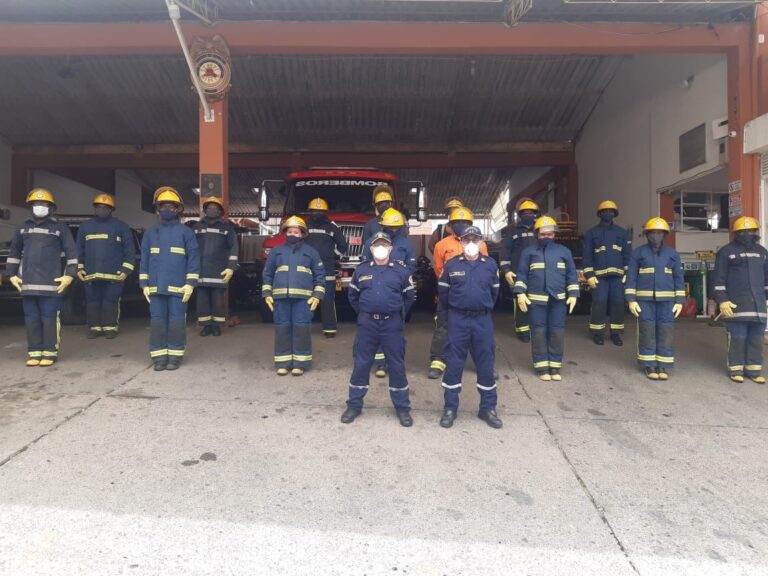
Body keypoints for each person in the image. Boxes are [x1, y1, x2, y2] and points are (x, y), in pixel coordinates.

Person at [342, 232, 416, 427]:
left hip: (392, 324)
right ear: (371, 248)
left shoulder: (401, 271)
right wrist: (367, 314)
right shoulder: (361, 270)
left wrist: (395, 315)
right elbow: (353, 297)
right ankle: (354, 405)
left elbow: (409, 298)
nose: (380, 248)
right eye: (377, 245)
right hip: (367, 324)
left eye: (384, 245)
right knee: (361, 364)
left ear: (390, 249)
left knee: (397, 366)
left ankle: (402, 408)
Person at [438, 226, 502, 429]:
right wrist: (459, 310)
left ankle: (488, 408)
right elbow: (444, 295)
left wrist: (480, 308)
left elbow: (494, 294)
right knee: (454, 362)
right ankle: (450, 408)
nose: (471, 244)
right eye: (467, 240)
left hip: (482, 320)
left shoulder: (490, 265)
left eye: (475, 239)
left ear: (481, 242)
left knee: (485, 362)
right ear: (461, 242)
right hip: (458, 319)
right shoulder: (451, 265)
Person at [6, 188, 77, 367]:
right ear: (30, 207)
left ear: (51, 208)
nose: (40, 207)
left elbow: (72, 253)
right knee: (32, 319)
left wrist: (70, 275)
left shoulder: (59, 228)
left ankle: (50, 352)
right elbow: (14, 252)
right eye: (36, 204)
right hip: (28, 284)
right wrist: (11, 274)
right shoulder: (22, 228)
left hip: (51, 284)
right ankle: (34, 351)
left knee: (49, 319)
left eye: (44, 204)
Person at [139, 187, 200, 371]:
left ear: (178, 209)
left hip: (178, 289)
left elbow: (194, 258)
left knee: (176, 323)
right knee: (157, 323)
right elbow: (145, 259)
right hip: (156, 288)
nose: (167, 209)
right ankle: (158, 357)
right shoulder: (150, 233)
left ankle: (175, 357)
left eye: (171, 206)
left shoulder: (186, 232)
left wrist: (190, 284)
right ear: (158, 209)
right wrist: (143, 284)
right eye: (164, 206)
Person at [514, 216, 579, 382]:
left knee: (557, 332)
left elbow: (572, 275)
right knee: (538, 332)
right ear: (537, 235)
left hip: (558, 301)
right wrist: (520, 292)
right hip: (536, 302)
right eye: (543, 235)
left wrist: (573, 294)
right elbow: (521, 274)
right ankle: (542, 366)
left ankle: (555, 366)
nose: (546, 237)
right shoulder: (528, 252)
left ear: (554, 235)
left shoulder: (564, 252)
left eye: (550, 234)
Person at [428, 207, 488, 379]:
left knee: (477, 329)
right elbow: (438, 269)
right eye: (457, 223)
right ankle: (437, 362)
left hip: (474, 294)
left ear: (471, 224)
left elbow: (485, 268)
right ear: (450, 225)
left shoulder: (481, 245)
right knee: (443, 327)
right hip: (450, 293)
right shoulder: (442, 245)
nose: (461, 225)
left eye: (465, 222)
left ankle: (483, 365)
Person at [262, 216, 325, 376]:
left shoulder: (311, 253)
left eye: (296, 231)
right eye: (290, 231)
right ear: (285, 233)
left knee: (301, 329)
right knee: (282, 329)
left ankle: (300, 363)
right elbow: (267, 273)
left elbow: (320, 275)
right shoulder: (276, 251)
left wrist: (317, 295)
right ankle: (283, 363)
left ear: (303, 233)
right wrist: (267, 293)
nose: (293, 234)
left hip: (303, 300)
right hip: (281, 299)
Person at [625, 217, 685, 381]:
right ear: (647, 234)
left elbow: (679, 278)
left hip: (667, 302)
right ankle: (648, 364)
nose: (656, 236)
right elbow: (631, 277)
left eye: (659, 233)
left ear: (664, 234)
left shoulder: (672, 254)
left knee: (666, 331)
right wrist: (631, 299)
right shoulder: (638, 253)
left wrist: (679, 301)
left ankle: (663, 365)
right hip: (645, 302)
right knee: (647, 331)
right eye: (653, 232)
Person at [712, 216, 768, 384]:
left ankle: (754, 370)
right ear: (736, 233)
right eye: (743, 231)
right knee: (738, 338)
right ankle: (735, 369)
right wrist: (722, 300)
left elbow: (766, 280)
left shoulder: (762, 252)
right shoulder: (726, 252)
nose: (747, 234)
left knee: (756, 339)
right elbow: (718, 279)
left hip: (758, 306)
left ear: (755, 232)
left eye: (750, 231)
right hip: (735, 306)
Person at [361, 208, 416, 377]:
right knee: (376, 332)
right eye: (390, 227)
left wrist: (398, 278)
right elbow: (364, 267)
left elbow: (411, 265)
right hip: (376, 290)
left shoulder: (406, 244)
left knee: (396, 331)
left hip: (397, 292)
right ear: (382, 225)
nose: (393, 230)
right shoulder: (371, 242)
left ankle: (394, 362)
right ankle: (380, 364)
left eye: (396, 227)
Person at [76, 193, 135, 339]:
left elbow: (129, 250)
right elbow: (79, 249)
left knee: (111, 301)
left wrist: (126, 269)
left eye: (105, 207)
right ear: (94, 208)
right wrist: (79, 267)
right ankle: (94, 327)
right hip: (91, 274)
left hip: (114, 274)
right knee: (92, 301)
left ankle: (110, 327)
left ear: (111, 209)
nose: (102, 209)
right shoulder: (85, 227)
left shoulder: (121, 226)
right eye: (99, 207)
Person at [582, 200, 631, 347]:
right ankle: (598, 333)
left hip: (617, 277)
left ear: (614, 214)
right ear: (600, 214)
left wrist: (628, 273)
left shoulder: (622, 233)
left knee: (617, 304)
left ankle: (615, 334)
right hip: (599, 277)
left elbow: (627, 255)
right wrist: (589, 275)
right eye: (605, 211)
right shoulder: (591, 233)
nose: (608, 213)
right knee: (599, 304)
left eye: (610, 211)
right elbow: (587, 256)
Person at [193, 195, 238, 337]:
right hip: (200, 270)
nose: (212, 209)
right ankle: (206, 326)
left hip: (219, 271)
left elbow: (233, 248)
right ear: (205, 210)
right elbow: (190, 249)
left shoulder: (227, 229)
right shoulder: (196, 227)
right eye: (210, 207)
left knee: (218, 301)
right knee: (202, 301)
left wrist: (231, 267)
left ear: (220, 211)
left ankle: (217, 326)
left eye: (215, 208)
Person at [304, 197, 348, 338]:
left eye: (320, 211)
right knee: (305, 299)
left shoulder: (332, 227)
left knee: (327, 300)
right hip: (306, 270)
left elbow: (343, 246)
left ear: (325, 212)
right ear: (310, 212)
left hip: (326, 270)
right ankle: (303, 327)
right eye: (315, 211)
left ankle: (330, 329)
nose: (317, 213)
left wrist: (332, 255)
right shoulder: (303, 226)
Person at [499, 198, 539, 342]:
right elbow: (505, 252)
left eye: (531, 212)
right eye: (525, 212)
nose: (528, 214)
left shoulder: (540, 230)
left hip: (538, 272)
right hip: (518, 272)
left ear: (536, 214)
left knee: (537, 301)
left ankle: (536, 328)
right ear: (520, 214)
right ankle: (522, 330)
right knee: (521, 301)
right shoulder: (512, 232)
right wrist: (506, 269)